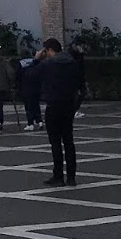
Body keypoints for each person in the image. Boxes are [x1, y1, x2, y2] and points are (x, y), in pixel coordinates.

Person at [38, 40, 80, 186]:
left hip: (53, 105)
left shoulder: (48, 64)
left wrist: (36, 60)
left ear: (49, 50)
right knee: (68, 141)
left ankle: (58, 176)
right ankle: (71, 177)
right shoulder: (72, 63)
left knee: (55, 142)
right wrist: (75, 105)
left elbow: (30, 76)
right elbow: (80, 84)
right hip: (68, 105)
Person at [19, 50, 44, 131]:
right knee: (36, 105)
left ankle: (30, 123)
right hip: (36, 86)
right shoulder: (35, 62)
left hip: (25, 86)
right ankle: (39, 121)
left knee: (28, 106)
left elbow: (18, 75)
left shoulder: (21, 64)